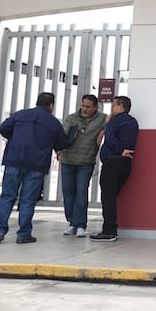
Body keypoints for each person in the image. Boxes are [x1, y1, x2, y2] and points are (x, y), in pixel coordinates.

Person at [0, 92, 70, 244]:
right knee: (27, 200)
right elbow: (61, 144)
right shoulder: (53, 123)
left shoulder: (20, 115)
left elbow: (3, 129)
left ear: (37, 102)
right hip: (36, 165)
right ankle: (23, 234)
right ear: (51, 105)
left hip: (14, 160)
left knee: (7, 197)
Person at [90, 95, 138, 241]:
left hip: (112, 163)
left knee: (107, 198)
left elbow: (109, 139)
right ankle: (110, 228)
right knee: (111, 196)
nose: (111, 109)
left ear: (120, 107)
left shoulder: (114, 121)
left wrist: (119, 150)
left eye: (113, 106)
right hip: (125, 165)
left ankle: (109, 231)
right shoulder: (133, 122)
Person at [60, 94, 108, 238]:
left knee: (81, 193)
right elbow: (62, 134)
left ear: (95, 107)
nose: (84, 109)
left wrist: (102, 133)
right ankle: (72, 223)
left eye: (88, 107)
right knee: (68, 193)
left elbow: (110, 122)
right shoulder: (71, 118)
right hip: (68, 160)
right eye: (83, 105)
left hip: (86, 162)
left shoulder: (102, 119)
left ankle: (80, 224)